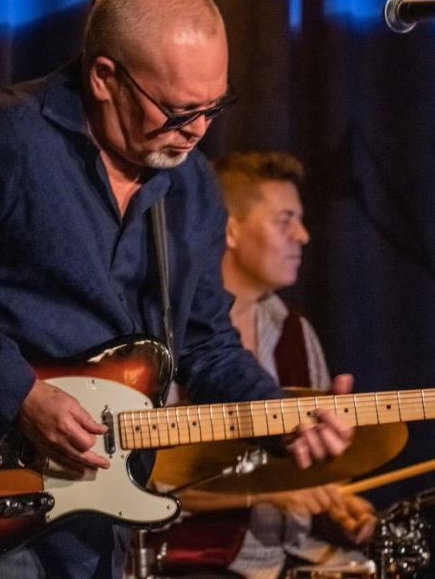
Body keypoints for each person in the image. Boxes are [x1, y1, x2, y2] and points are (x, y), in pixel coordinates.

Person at [0, 0, 353, 579]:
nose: (198, 129)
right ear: (105, 77)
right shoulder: (7, 140)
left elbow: (204, 342)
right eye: (177, 109)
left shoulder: (191, 189)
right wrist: (19, 394)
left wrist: (282, 415)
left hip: (97, 519)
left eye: (214, 106)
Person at [160, 151, 376, 578]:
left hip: (288, 559)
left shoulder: (296, 331)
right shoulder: (166, 336)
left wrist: (336, 498)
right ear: (231, 231)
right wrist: (269, 495)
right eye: (284, 220)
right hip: (189, 564)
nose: (303, 235)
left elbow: (306, 475)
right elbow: (147, 483)